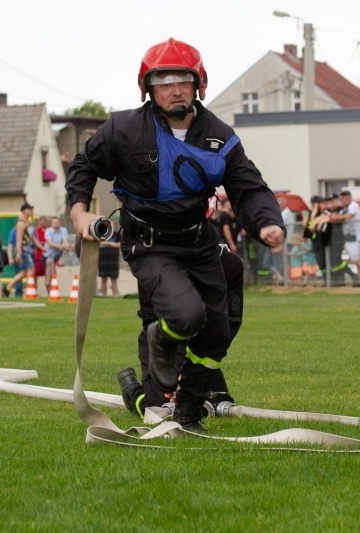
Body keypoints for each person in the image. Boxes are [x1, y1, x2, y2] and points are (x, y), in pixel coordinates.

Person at [67, 37, 285, 430]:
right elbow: (84, 165)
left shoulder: (221, 137)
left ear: (199, 84)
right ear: (147, 88)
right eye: (163, 82)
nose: (174, 89)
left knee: (216, 330)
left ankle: (188, 409)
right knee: (186, 315)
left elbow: (249, 188)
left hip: (199, 242)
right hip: (149, 246)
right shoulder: (123, 129)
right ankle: (159, 357)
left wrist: (268, 222)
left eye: (183, 80)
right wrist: (79, 211)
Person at [119, 243, 242, 419]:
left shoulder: (228, 264)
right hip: (164, 335)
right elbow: (157, 325)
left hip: (199, 338)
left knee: (219, 400)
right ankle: (133, 391)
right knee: (158, 410)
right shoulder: (157, 266)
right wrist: (175, 375)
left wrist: (193, 376)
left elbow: (226, 327)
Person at [4, 203, 42, 297]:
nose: (31, 212)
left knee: (25, 271)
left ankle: (8, 287)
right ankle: (30, 292)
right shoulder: (21, 223)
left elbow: (33, 238)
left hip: (30, 250)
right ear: (24, 211)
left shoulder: (28, 223)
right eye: (29, 209)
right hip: (24, 250)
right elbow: (19, 238)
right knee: (31, 269)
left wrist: (42, 248)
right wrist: (19, 253)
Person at [339, 190, 360, 285]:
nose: (342, 201)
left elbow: (348, 217)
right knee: (357, 259)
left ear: (348, 198)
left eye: (344, 199)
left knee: (355, 259)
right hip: (350, 238)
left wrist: (337, 217)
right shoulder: (344, 208)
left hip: (357, 237)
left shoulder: (353, 206)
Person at [44, 216, 70, 285]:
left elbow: (65, 241)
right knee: (49, 263)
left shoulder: (63, 230)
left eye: (57, 222)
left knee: (51, 263)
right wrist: (60, 246)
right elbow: (49, 243)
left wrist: (66, 246)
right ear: (51, 224)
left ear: (60, 223)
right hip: (48, 253)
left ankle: (51, 283)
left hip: (58, 254)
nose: (55, 224)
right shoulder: (48, 231)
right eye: (54, 222)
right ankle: (48, 283)